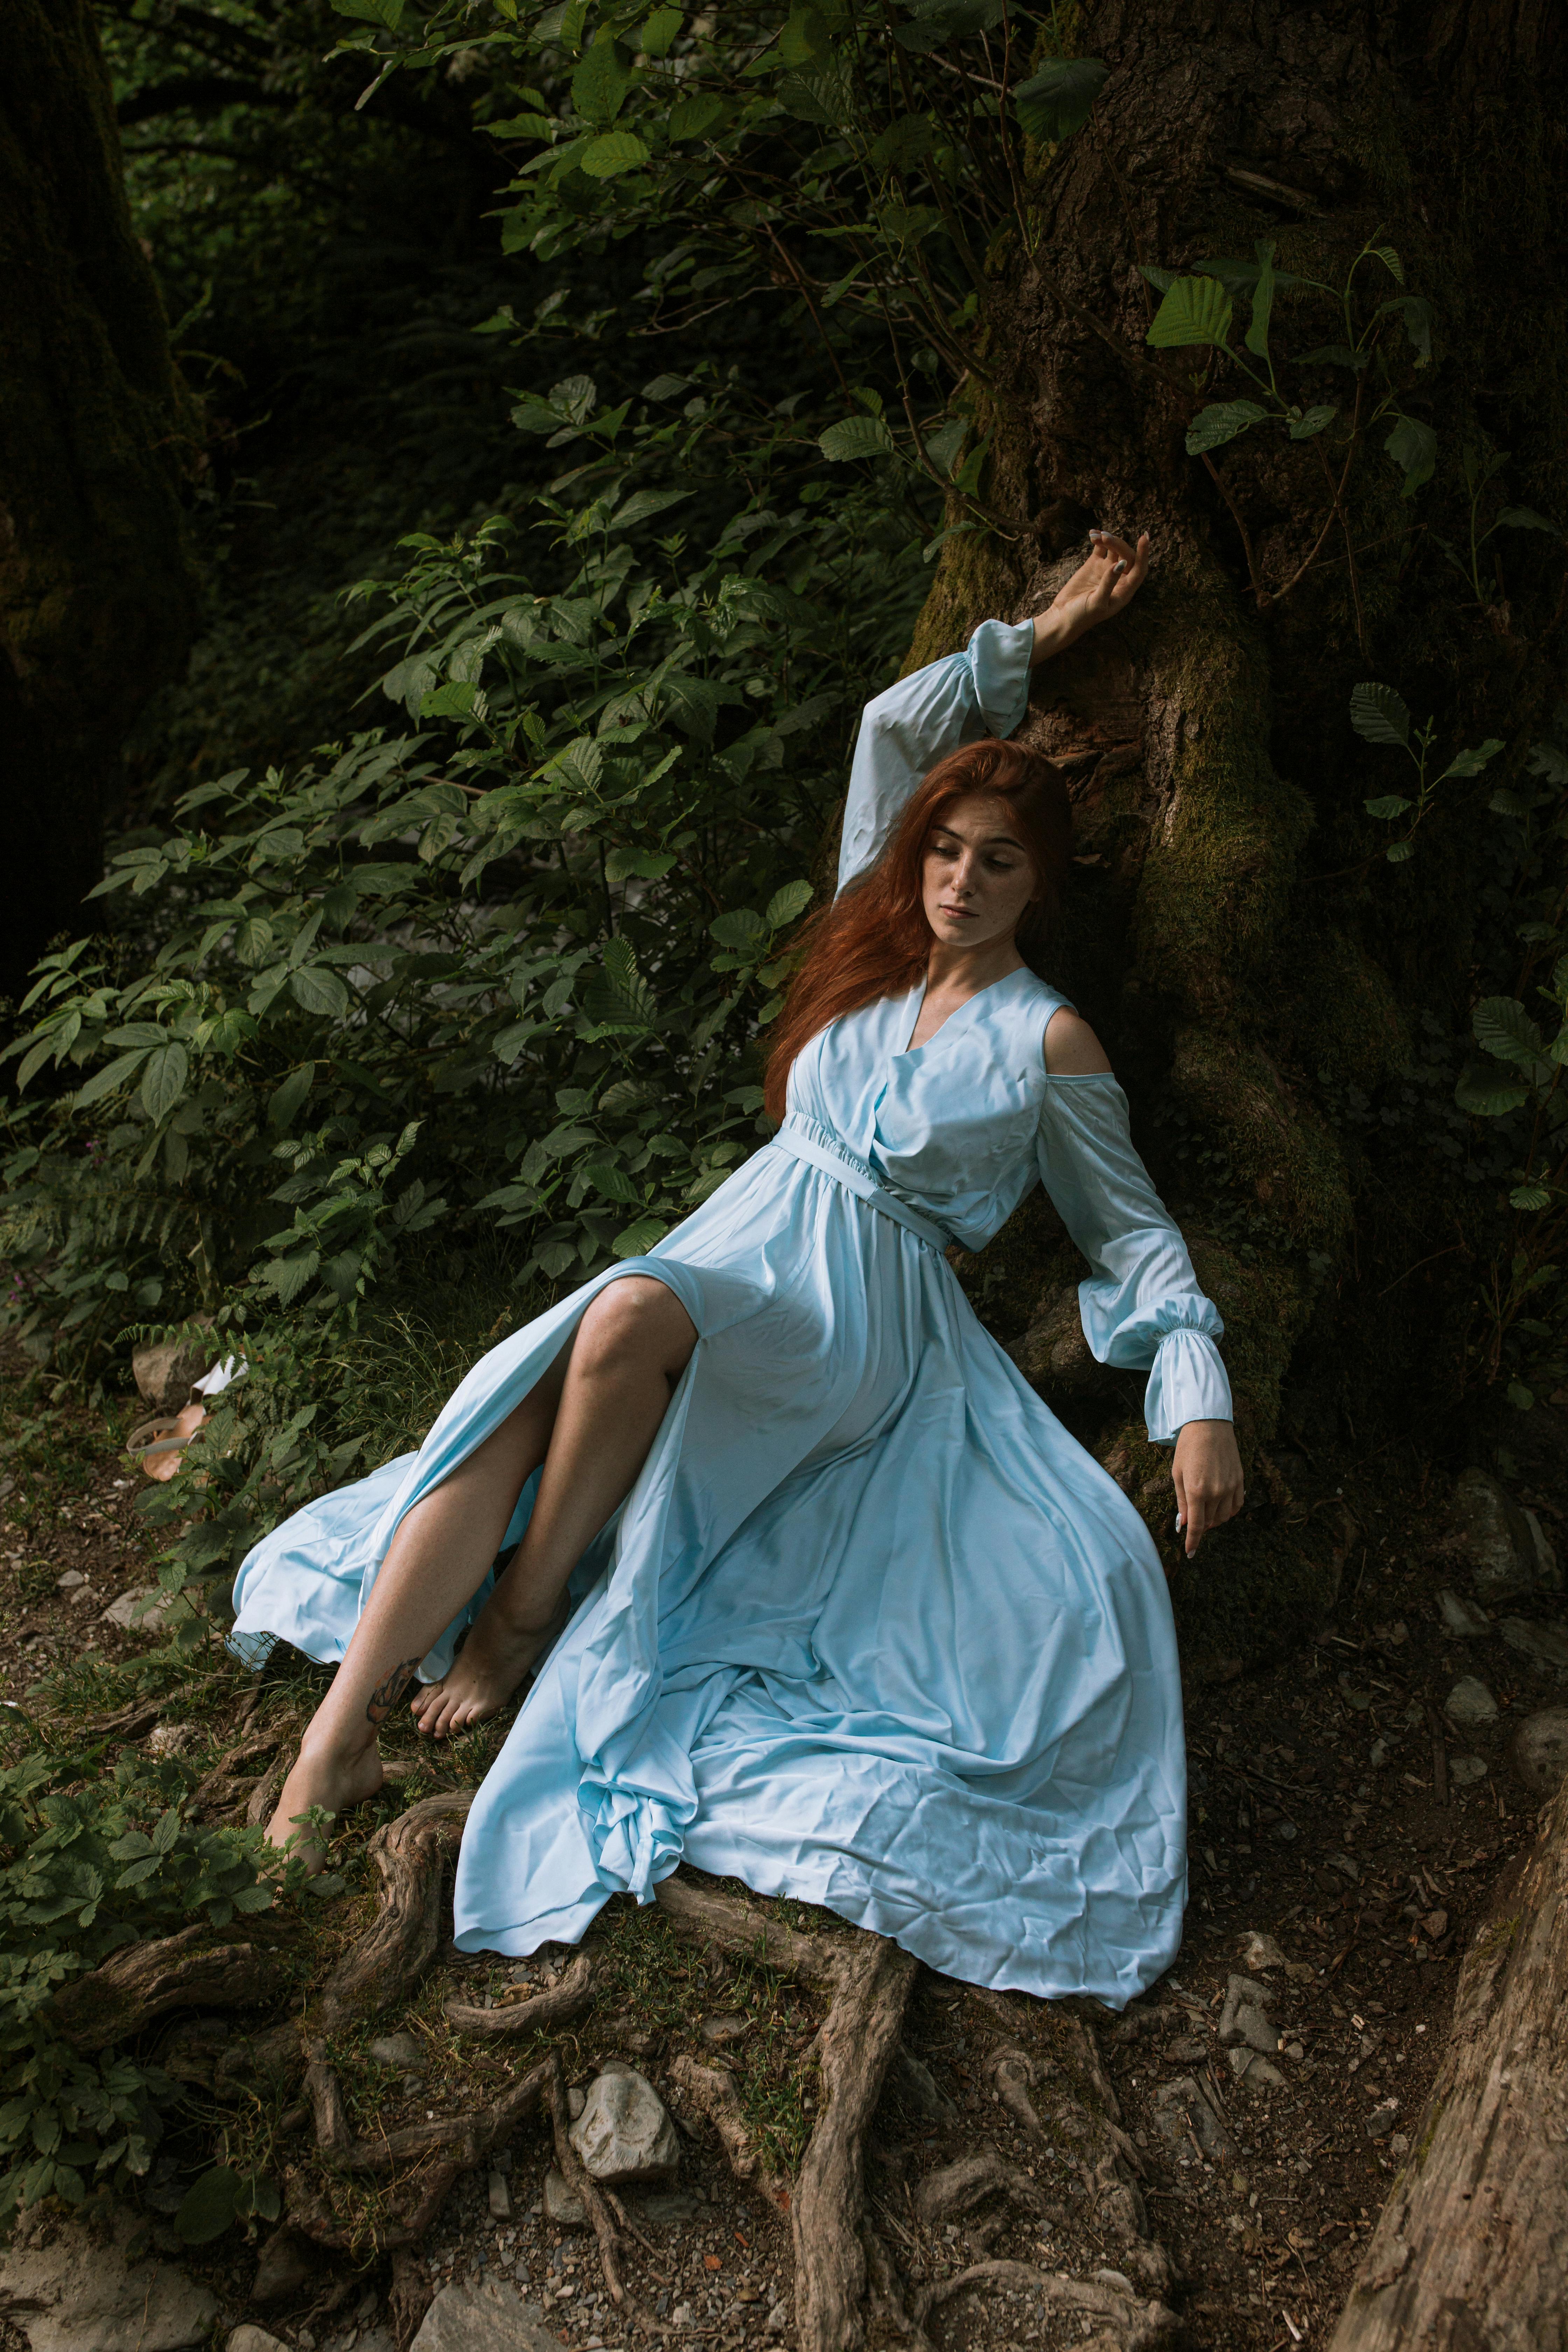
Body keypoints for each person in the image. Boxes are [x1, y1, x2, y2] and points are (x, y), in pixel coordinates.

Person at [238, 527, 1244, 2004]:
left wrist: (1198, 1392)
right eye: (948, 849)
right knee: (538, 1372)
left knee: (629, 1308)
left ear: (1044, 881)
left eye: (998, 861)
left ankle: (522, 1615)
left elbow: (1131, 1228)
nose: (961, 878)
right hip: (746, 1232)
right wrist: (1046, 630)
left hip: (858, 1316)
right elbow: (892, 731)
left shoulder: (1048, 1041)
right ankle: (338, 1733)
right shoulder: (872, 938)